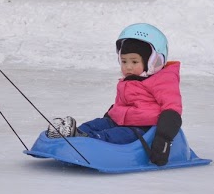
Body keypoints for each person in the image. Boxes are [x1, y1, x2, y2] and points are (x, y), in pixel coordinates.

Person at [46, 23, 183, 166]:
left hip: (142, 128)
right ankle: (69, 134)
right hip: (119, 121)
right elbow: (119, 105)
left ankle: (82, 139)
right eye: (124, 61)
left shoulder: (162, 81)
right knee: (94, 125)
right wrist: (108, 118)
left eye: (134, 61)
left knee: (110, 136)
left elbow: (172, 109)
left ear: (153, 61)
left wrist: (163, 139)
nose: (128, 66)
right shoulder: (129, 81)